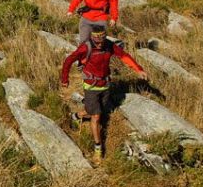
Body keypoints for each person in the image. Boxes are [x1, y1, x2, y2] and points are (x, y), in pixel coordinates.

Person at [61, 24, 147, 164]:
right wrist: (65, 79)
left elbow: (124, 56)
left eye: (102, 40)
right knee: (96, 116)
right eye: (97, 41)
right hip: (91, 86)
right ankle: (98, 149)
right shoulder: (86, 47)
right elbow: (69, 60)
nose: (100, 44)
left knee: (97, 111)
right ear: (92, 38)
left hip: (105, 85)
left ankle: (76, 116)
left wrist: (138, 69)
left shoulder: (109, 45)